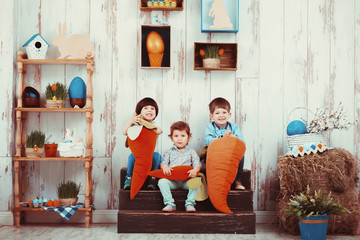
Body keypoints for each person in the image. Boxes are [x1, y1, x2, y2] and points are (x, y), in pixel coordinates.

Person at [158, 121, 201, 212]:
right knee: (162, 182)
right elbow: (163, 163)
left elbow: (197, 164)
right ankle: (170, 203)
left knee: (196, 182)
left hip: (186, 181)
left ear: (188, 138)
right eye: (176, 136)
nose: (179, 139)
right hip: (172, 181)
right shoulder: (169, 152)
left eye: (183, 136)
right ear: (171, 138)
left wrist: (195, 170)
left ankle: (190, 203)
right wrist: (165, 167)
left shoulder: (191, 152)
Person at [204, 97, 246, 190]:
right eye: (217, 113)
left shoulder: (234, 127)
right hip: (215, 154)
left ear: (229, 114)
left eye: (224, 112)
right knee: (207, 154)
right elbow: (208, 141)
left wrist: (233, 139)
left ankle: (237, 181)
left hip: (229, 154)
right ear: (211, 116)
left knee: (241, 156)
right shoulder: (210, 127)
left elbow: (242, 142)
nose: (221, 115)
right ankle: (214, 182)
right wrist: (223, 139)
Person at [123, 97, 163, 190]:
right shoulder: (136, 124)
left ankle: (153, 179)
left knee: (157, 156)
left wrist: (144, 122)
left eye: (152, 109)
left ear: (156, 113)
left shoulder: (155, 124)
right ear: (139, 112)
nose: (149, 110)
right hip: (139, 155)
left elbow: (158, 131)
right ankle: (128, 178)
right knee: (132, 156)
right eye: (145, 108)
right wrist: (130, 121)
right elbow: (125, 132)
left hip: (150, 155)